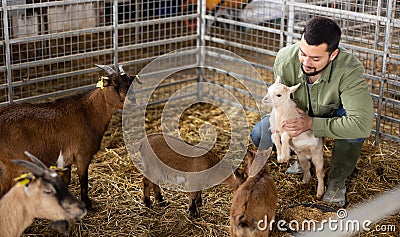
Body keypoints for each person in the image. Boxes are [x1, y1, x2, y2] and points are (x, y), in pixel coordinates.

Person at [250, 17, 374, 207]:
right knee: (260, 133)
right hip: (298, 113)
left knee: (353, 133)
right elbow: (279, 100)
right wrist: (278, 126)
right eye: (302, 53)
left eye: (315, 58)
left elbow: (362, 124)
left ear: (332, 55)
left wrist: (312, 124)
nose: (306, 63)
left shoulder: (349, 69)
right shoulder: (285, 59)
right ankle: (302, 159)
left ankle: (336, 180)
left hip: (331, 113)